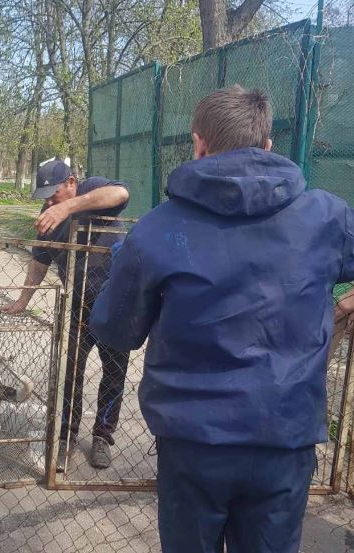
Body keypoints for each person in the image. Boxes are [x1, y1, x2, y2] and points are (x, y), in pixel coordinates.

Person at [89, 85, 354, 553]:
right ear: (269, 146)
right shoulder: (328, 219)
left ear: (199, 144)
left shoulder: (159, 227)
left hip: (193, 445)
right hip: (285, 438)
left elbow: (115, 329)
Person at [0, 161, 130, 470]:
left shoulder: (92, 189)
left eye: (52, 196)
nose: (48, 203)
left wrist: (68, 208)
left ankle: (102, 437)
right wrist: (22, 300)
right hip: (77, 306)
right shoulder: (50, 217)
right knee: (70, 373)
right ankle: (66, 435)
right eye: (44, 198)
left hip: (115, 305)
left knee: (114, 374)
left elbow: (120, 193)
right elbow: (39, 261)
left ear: (70, 182)